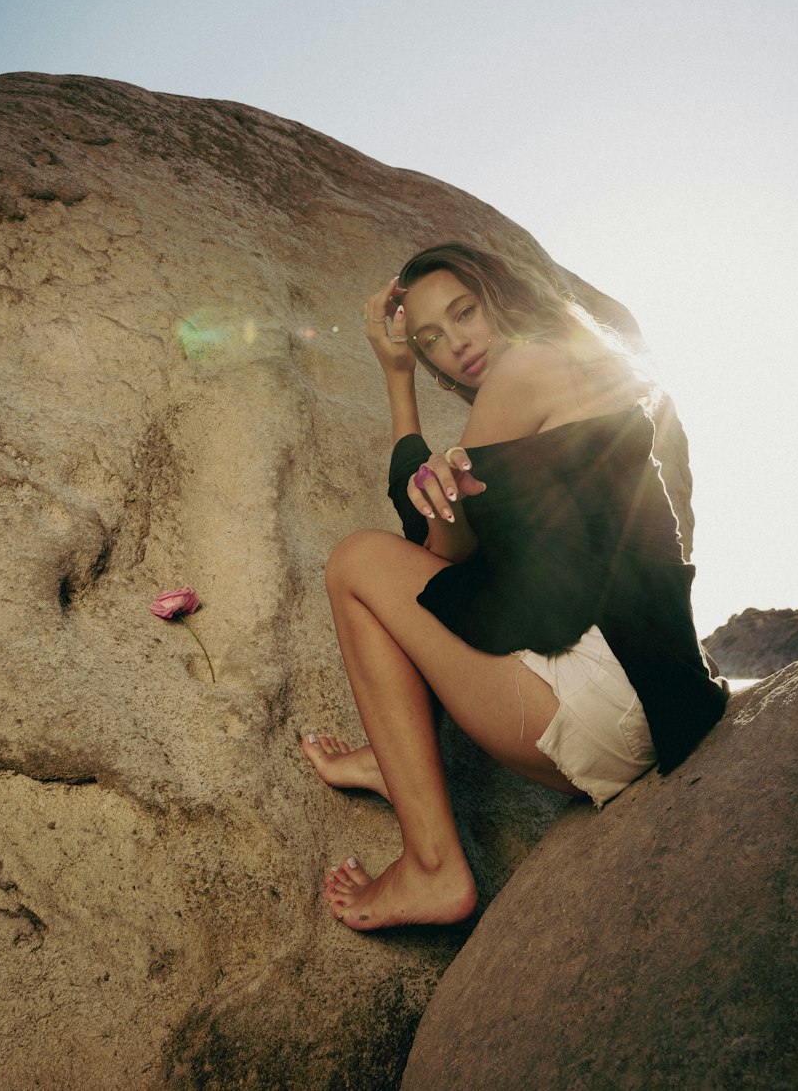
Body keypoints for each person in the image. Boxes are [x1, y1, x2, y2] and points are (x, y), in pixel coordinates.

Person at [302, 243, 727, 931]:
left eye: (464, 312)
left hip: (597, 705)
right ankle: (397, 761)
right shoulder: (571, 371)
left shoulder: (526, 366)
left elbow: (433, 543)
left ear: (497, 295)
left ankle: (433, 865)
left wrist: (397, 380)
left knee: (355, 563)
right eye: (431, 339)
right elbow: (448, 541)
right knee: (452, 582)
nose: (456, 344)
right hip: (655, 704)